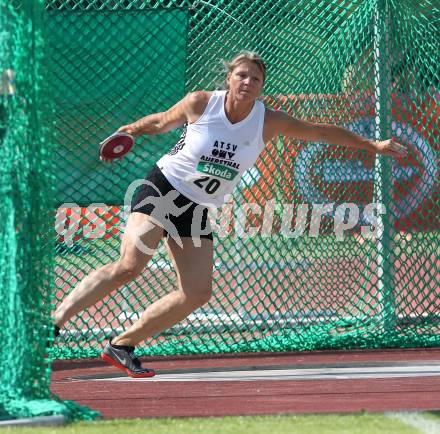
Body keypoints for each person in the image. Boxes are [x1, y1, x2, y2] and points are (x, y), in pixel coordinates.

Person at [53, 51, 408, 378]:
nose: (247, 83)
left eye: (255, 79)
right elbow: (161, 122)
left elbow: (319, 131)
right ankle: (54, 322)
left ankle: (122, 345)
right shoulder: (201, 103)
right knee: (130, 265)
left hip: (196, 209)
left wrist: (371, 145)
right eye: (241, 75)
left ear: (261, 86)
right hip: (163, 188)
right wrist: (128, 131)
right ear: (229, 78)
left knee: (196, 292)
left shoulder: (267, 121)